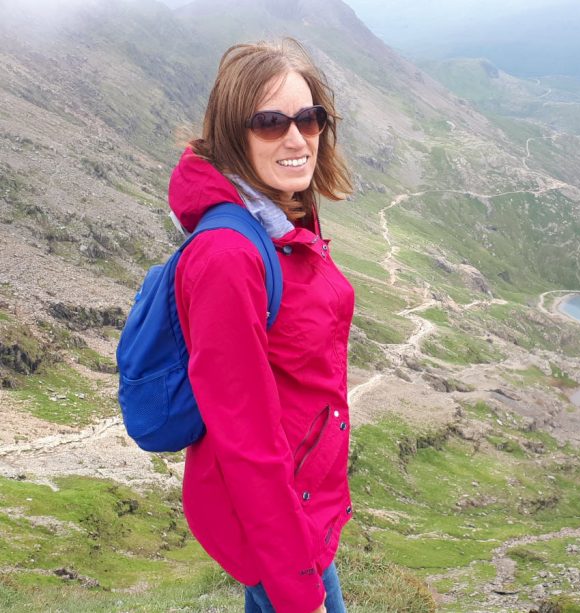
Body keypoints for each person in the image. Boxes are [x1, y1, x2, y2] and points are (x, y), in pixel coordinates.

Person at [167, 39, 355, 613]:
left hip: (303, 509)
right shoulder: (229, 256)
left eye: (309, 117)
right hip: (279, 523)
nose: (297, 138)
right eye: (271, 122)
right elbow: (244, 441)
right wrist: (298, 589)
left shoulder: (281, 214)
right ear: (233, 132)